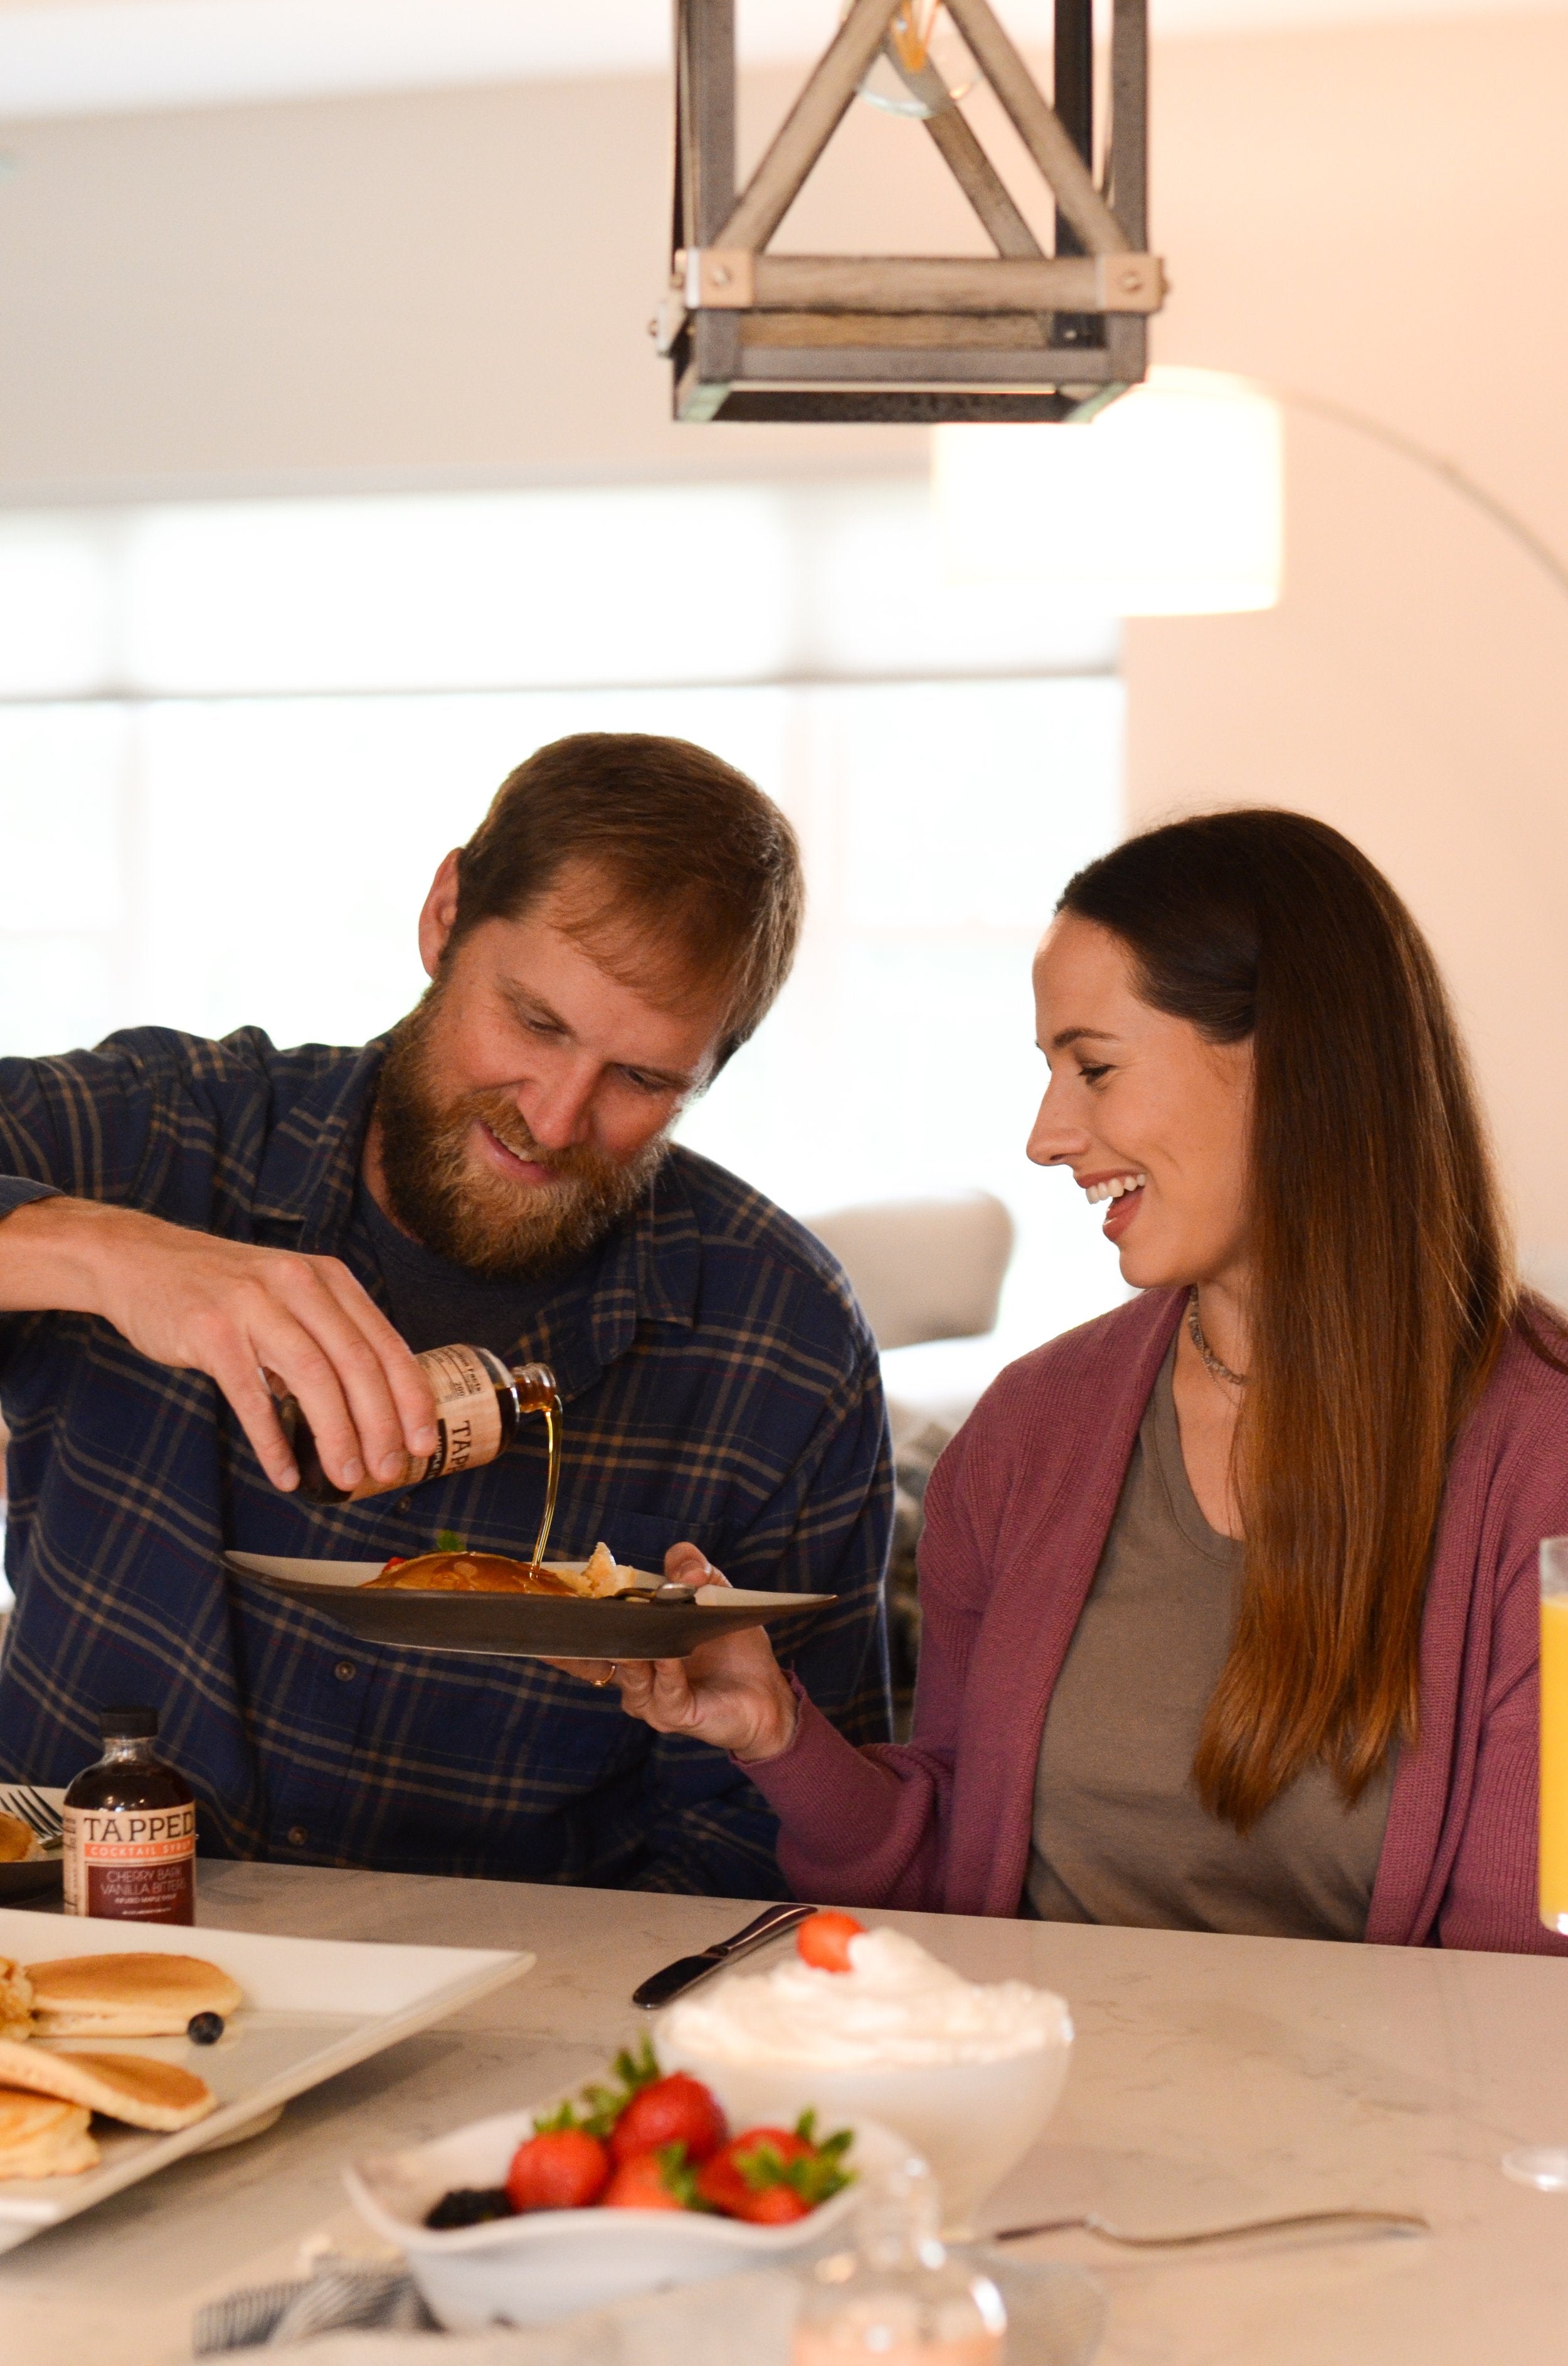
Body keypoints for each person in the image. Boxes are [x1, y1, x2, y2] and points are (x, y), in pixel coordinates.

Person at [590, 809, 1568, 1951]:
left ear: (1296, 1060)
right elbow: (958, 1871)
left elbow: (1525, 1977)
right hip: (1037, 2062)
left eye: (1095, 1068)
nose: (1047, 1136)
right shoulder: (1027, 1432)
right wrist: (780, 1738)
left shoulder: (1541, 1458)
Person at [0, 733, 892, 1894]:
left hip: (525, 1992)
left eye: (643, 1080)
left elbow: (757, 1855)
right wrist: (105, 1253)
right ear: (445, 917)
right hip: (70, 1950)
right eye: (535, 1022)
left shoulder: (785, 1339)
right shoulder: (164, 1134)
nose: (556, 1120)